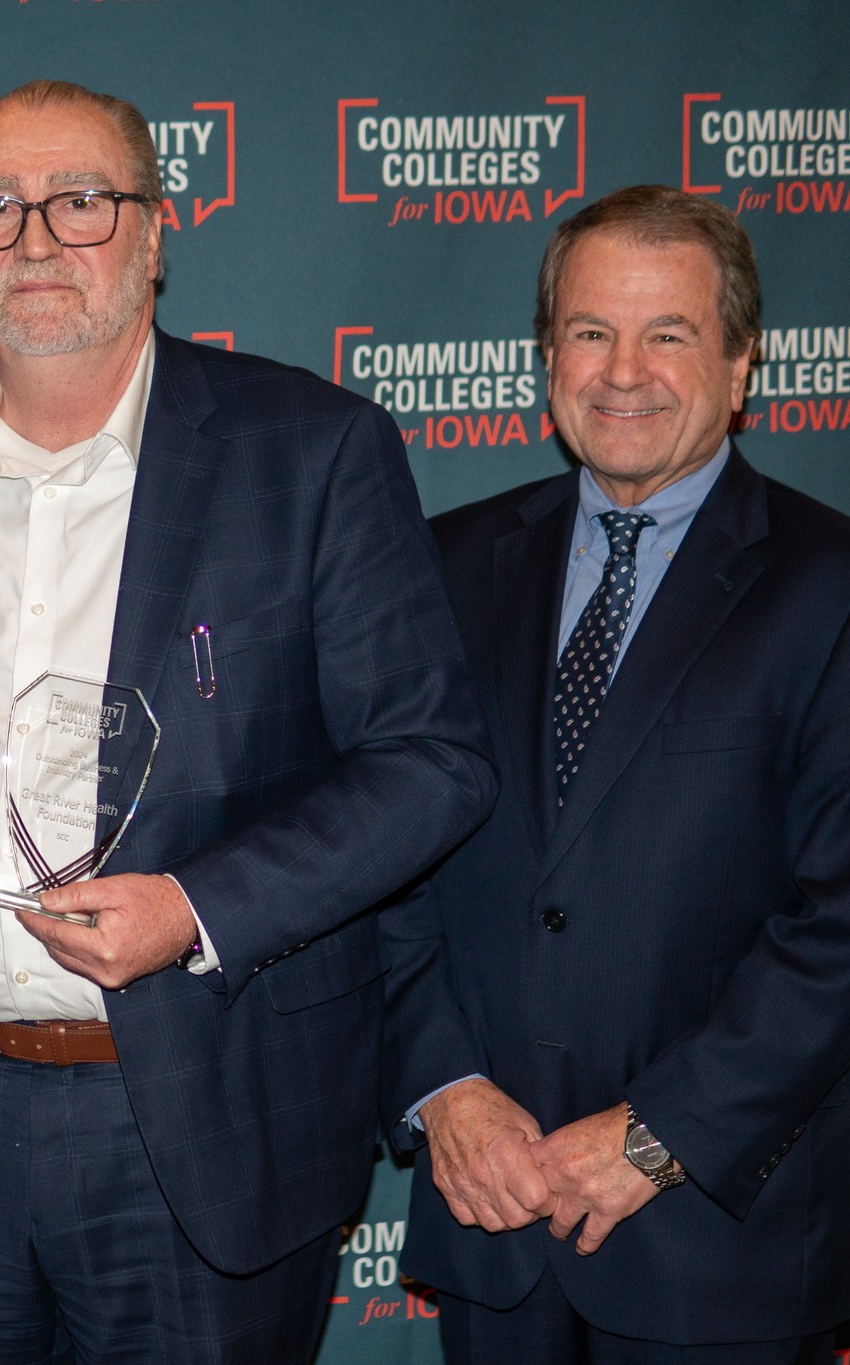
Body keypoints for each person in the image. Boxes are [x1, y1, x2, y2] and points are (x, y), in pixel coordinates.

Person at [0, 79, 495, 1364]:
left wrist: (198, 910)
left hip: (204, 1110)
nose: (39, 240)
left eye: (82, 200)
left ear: (155, 232)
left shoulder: (310, 451)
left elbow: (430, 764)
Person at [382, 184, 850, 1364]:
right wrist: (443, 1089)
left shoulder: (828, 586)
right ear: (546, 358)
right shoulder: (441, 564)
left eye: (668, 334)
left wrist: (657, 1135)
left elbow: (840, 924)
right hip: (493, 1217)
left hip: (713, 1241)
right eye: (588, 332)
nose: (620, 371)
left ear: (743, 365)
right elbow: (380, 864)